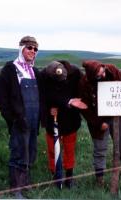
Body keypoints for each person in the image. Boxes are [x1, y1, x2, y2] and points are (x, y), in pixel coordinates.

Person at [0, 36, 41, 198]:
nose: (33, 51)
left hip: (34, 120)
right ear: (21, 49)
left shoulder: (34, 71)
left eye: (35, 49)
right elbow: (1, 97)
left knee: (31, 151)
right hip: (19, 121)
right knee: (18, 153)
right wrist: (12, 119)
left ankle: (25, 183)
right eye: (29, 48)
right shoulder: (10, 70)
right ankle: (16, 189)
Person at [78, 60, 121, 187]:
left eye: (103, 72)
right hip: (99, 120)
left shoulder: (112, 70)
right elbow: (84, 108)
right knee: (100, 149)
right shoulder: (84, 83)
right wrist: (98, 123)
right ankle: (100, 179)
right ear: (92, 76)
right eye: (98, 75)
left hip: (118, 115)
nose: (102, 76)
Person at [39, 60, 87, 189]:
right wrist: (49, 107)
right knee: (52, 149)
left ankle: (69, 177)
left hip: (70, 119)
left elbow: (82, 90)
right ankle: (56, 175)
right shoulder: (43, 75)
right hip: (52, 119)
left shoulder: (76, 73)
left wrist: (73, 102)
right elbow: (43, 95)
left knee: (69, 148)